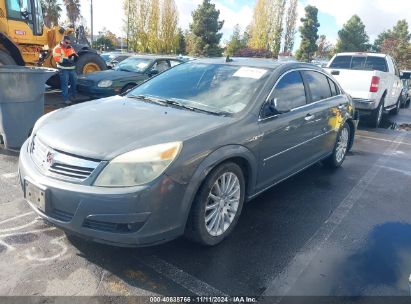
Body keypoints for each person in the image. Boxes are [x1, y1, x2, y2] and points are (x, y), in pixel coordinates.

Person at [52, 36, 79, 105]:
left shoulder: (70, 47)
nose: (68, 44)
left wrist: (76, 57)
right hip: (63, 69)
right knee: (65, 84)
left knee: (74, 82)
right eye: (66, 42)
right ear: (62, 41)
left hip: (71, 68)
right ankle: (66, 98)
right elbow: (57, 58)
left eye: (69, 43)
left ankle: (72, 96)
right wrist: (66, 60)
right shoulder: (57, 48)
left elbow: (74, 55)